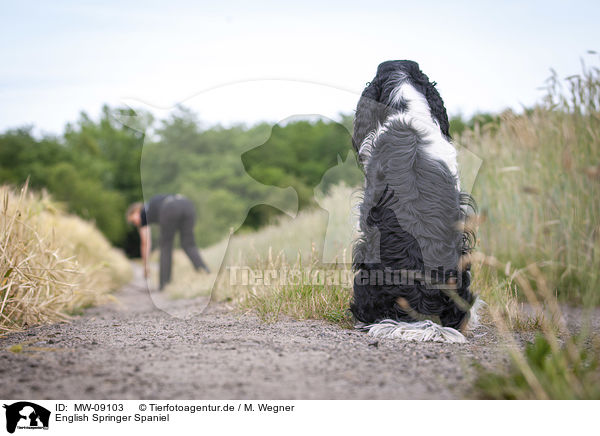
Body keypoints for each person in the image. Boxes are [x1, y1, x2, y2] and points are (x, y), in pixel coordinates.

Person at [126, 194, 210, 290]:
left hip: (170, 208)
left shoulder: (143, 212)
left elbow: (145, 243)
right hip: (187, 204)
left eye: (133, 220)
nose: (135, 224)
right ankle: (205, 272)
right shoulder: (152, 205)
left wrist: (145, 266)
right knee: (188, 244)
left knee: (165, 247)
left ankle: (164, 285)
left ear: (136, 211)